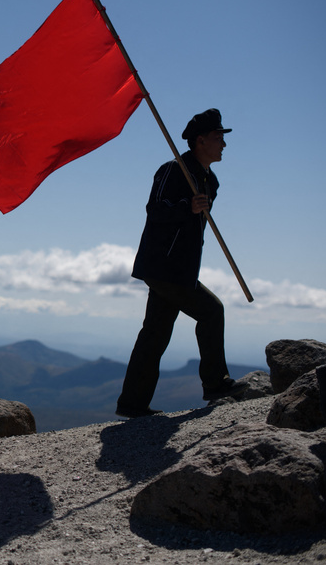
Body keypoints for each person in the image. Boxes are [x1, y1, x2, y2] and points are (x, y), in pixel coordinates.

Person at [116, 108, 248, 419]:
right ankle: (215, 383)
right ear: (201, 141)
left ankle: (132, 404)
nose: (224, 145)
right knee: (212, 310)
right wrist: (185, 206)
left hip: (179, 269)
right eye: (219, 138)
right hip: (164, 267)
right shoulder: (173, 170)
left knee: (155, 333)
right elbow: (155, 210)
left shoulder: (209, 180)